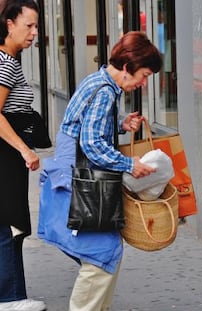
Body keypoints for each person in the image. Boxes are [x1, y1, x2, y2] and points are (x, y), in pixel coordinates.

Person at [37, 31, 162, 311]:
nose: (144, 82)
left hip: (73, 183)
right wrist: (130, 164)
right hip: (81, 187)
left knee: (103, 255)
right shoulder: (105, 91)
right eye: (144, 75)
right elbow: (92, 143)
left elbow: (84, 124)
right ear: (128, 67)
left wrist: (120, 124)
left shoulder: (98, 82)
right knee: (101, 254)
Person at [0, 1, 47, 310]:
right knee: (8, 221)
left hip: (9, 155)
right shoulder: (5, 63)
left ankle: (13, 294)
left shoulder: (10, 60)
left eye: (36, 26)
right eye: (28, 25)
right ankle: (10, 297)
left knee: (9, 221)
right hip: (5, 155)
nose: (34, 33)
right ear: (9, 25)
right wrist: (24, 148)